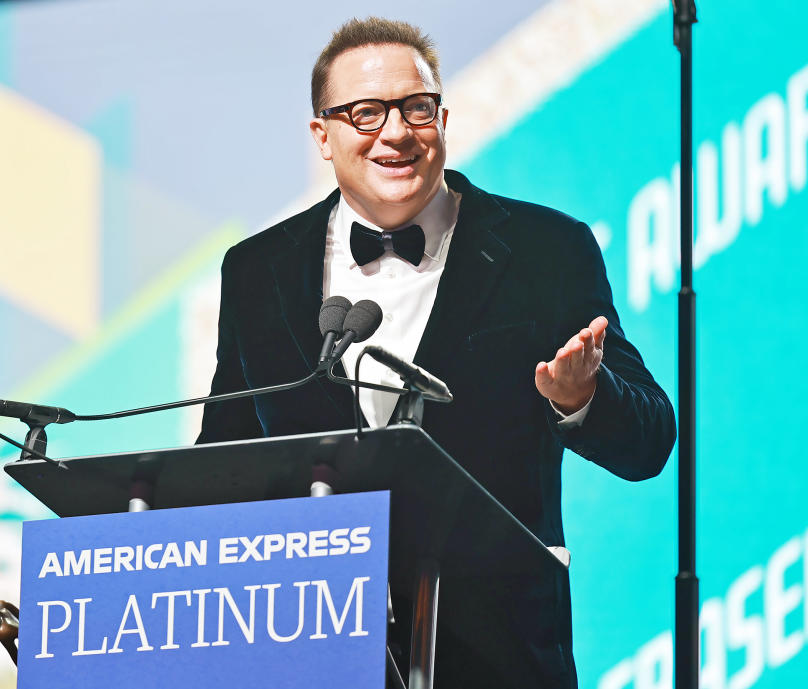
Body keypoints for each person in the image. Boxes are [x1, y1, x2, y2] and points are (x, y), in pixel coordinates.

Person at [197, 17, 675, 688]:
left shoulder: (545, 250)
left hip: (498, 659)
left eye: (415, 108)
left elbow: (649, 439)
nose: (395, 132)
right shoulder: (256, 271)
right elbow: (223, 460)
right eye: (365, 113)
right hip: (308, 657)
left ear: (442, 117)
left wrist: (580, 398)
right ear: (322, 138)